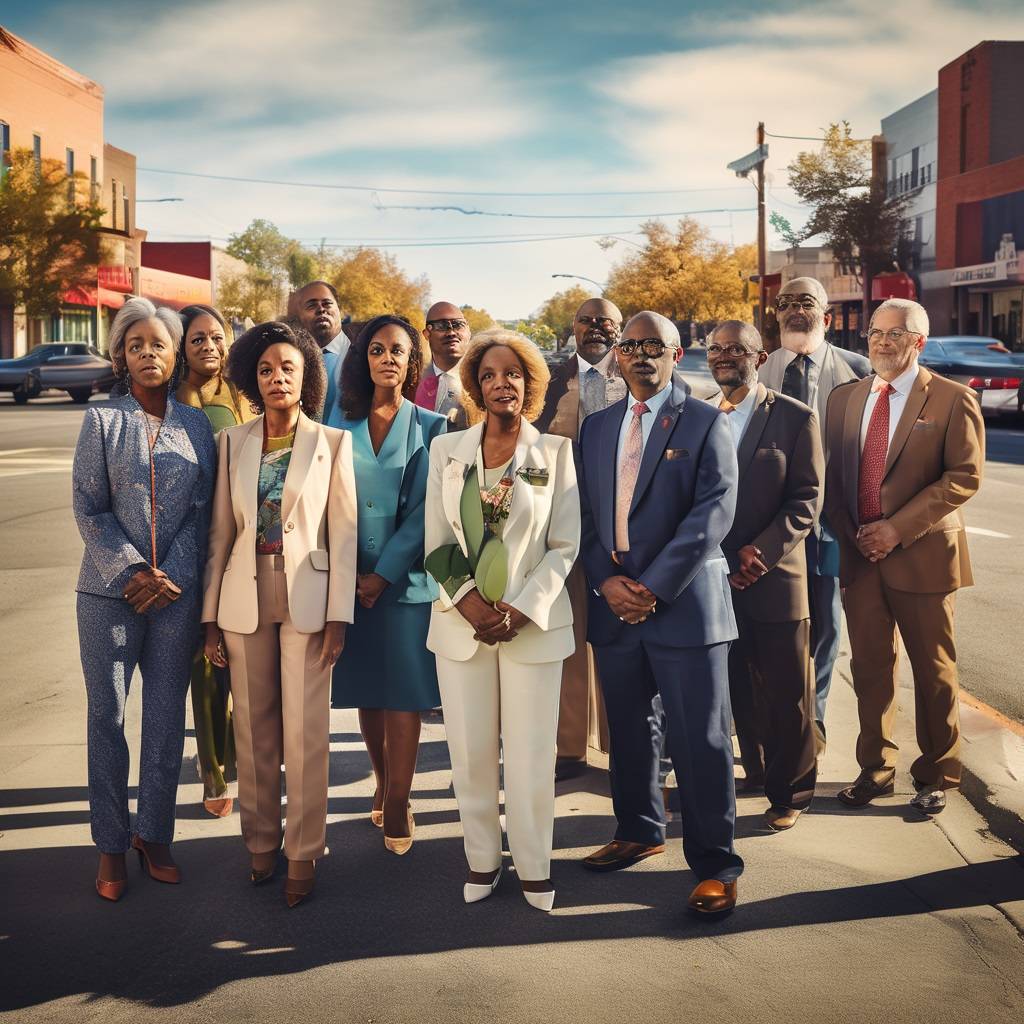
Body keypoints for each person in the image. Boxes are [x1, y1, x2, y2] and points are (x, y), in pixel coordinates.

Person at [576, 311, 743, 916]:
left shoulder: (703, 421)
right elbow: (585, 517)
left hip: (684, 606)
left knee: (699, 739)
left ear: (677, 354)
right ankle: (638, 831)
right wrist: (607, 581)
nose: (642, 355)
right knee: (628, 730)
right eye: (631, 345)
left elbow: (714, 513)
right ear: (618, 356)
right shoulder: (595, 428)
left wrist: (651, 587)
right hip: (615, 605)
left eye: (656, 346)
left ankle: (716, 866)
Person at [202, 320, 357, 907]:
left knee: (305, 733)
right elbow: (221, 534)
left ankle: (303, 852)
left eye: (287, 368)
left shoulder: (331, 443)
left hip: (310, 600)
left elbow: (343, 535)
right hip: (244, 592)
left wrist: (339, 616)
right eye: (265, 369)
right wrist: (210, 616)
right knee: (254, 729)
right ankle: (261, 844)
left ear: (306, 376)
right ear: (251, 378)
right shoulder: (232, 442)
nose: (276, 378)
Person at [425, 328, 580, 912]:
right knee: (469, 753)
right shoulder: (448, 451)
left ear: (530, 383)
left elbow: (565, 545)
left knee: (531, 754)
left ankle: (535, 865)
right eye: (488, 375)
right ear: (474, 386)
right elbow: (435, 541)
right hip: (461, 627)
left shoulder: (556, 453)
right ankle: (482, 860)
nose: (500, 384)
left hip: (530, 626)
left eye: (511, 374)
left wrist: (517, 610)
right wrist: (469, 604)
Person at [73, 297, 216, 902]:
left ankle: (154, 833)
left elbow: (202, 511)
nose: (148, 353)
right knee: (107, 718)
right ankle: (110, 844)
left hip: (176, 596)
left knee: (164, 721)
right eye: (137, 346)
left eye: (159, 344)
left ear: (175, 352)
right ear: (121, 356)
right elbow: (88, 506)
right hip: (108, 592)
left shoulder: (197, 426)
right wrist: (133, 569)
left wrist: (169, 575)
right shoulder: (102, 421)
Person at [825, 299, 984, 814]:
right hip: (860, 557)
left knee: (933, 671)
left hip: (922, 556)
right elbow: (830, 478)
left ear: (918, 341)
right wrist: (855, 534)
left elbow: (964, 476)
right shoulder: (845, 399)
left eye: (896, 334)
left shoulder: (952, 399)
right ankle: (875, 769)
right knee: (871, 669)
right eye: (876, 332)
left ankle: (938, 773)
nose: (882, 342)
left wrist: (895, 530)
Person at [330, 315, 446, 853]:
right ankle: (380, 781)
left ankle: (399, 799)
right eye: (377, 349)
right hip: (345, 578)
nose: (387, 358)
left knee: (404, 694)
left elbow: (428, 511)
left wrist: (382, 573)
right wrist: (352, 573)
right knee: (368, 691)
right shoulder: (335, 422)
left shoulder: (432, 425)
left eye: (398, 350)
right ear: (364, 359)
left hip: (404, 582)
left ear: (411, 360)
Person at [704, 321, 824, 831]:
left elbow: (807, 498)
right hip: (711, 579)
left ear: (759, 356)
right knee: (734, 687)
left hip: (774, 577)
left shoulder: (795, 417)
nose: (725, 357)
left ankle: (791, 792)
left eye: (737, 349)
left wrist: (763, 552)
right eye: (716, 349)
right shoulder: (698, 414)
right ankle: (755, 773)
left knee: (787, 693)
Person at [758, 276, 871, 740]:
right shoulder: (759, 370)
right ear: (777, 316)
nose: (795, 310)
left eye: (806, 303)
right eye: (786, 304)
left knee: (825, 624)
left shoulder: (859, 370)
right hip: (769, 526)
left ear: (825, 316)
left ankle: (814, 719)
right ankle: (770, 721)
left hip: (831, 524)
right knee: (773, 628)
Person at [534, 298, 627, 778]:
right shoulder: (546, 381)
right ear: (572, 327)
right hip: (562, 524)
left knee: (616, 639)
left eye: (605, 320)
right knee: (567, 636)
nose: (595, 327)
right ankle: (569, 747)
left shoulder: (637, 374)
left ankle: (621, 742)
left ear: (619, 327)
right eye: (586, 320)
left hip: (621, 527)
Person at [175, 303, 255, 818]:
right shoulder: (175, 399)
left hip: (245, 540)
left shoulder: (244, 393)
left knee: (243, 661)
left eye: (217, 337)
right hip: (194, 541)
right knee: (205, 665)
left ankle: (240, 753)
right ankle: (213, 773)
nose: (210, 346)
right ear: (182, 346)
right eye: (198, 338)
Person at [291, 281, 349, 423]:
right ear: (299, 316)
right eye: (311, 305)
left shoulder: (363, 356)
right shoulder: (288, 362)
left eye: (327, 303)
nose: (321, 309)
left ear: (339, 309)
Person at [415, 301, 471, 430]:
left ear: (468, 331)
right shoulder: (411, 382)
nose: (451, 332)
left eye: (458, 325)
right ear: (426, 334)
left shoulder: (486, 379)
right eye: (442, 326)